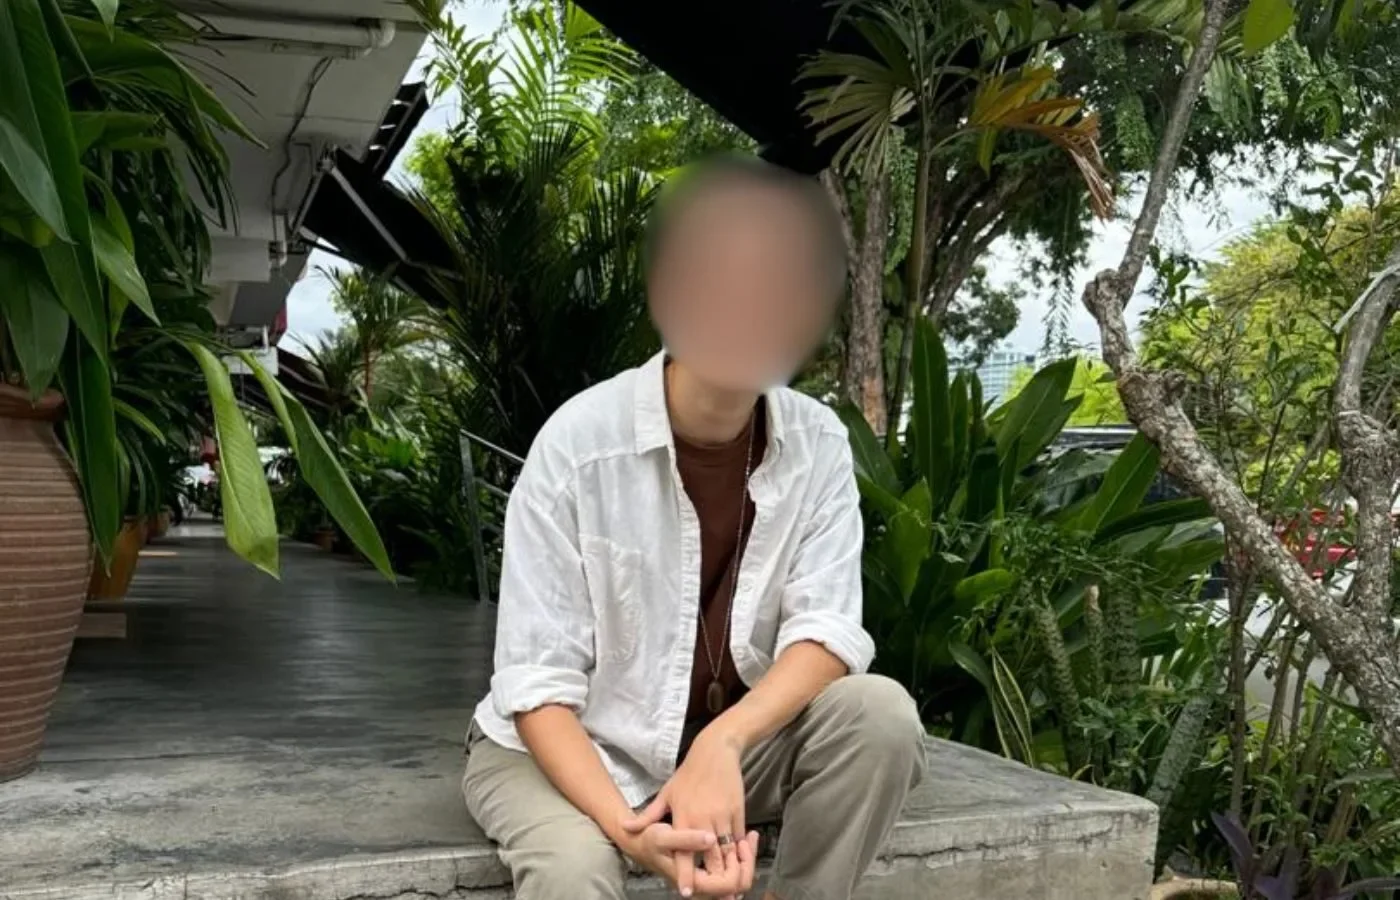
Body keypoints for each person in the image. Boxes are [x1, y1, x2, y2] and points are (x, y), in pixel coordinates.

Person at [464, 155, 927, 900]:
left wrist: (724, 740)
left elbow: (828, 629)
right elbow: (537, 688)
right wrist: (631, 831)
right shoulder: (579, 448)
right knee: (575, 869)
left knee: (881, 718)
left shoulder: (817, 445)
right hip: (566, 748)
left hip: (733, 755)